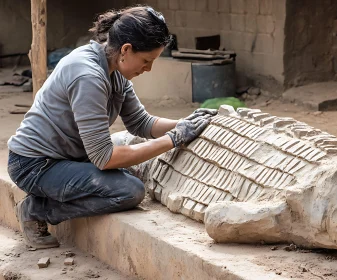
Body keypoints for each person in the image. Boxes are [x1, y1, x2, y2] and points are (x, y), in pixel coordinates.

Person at [7, 6, 216, 249]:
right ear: (126, 50)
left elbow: (141, 123)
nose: (148, 69)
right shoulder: (88, 75)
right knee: (129, 190)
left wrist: (186, 124)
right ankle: (38, 210)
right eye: (147, 61)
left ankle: (49, 198)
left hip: (67, 156)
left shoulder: (114, 70)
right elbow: (104, 157)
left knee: (129, 163)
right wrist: (173, 139)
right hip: (35, 164)